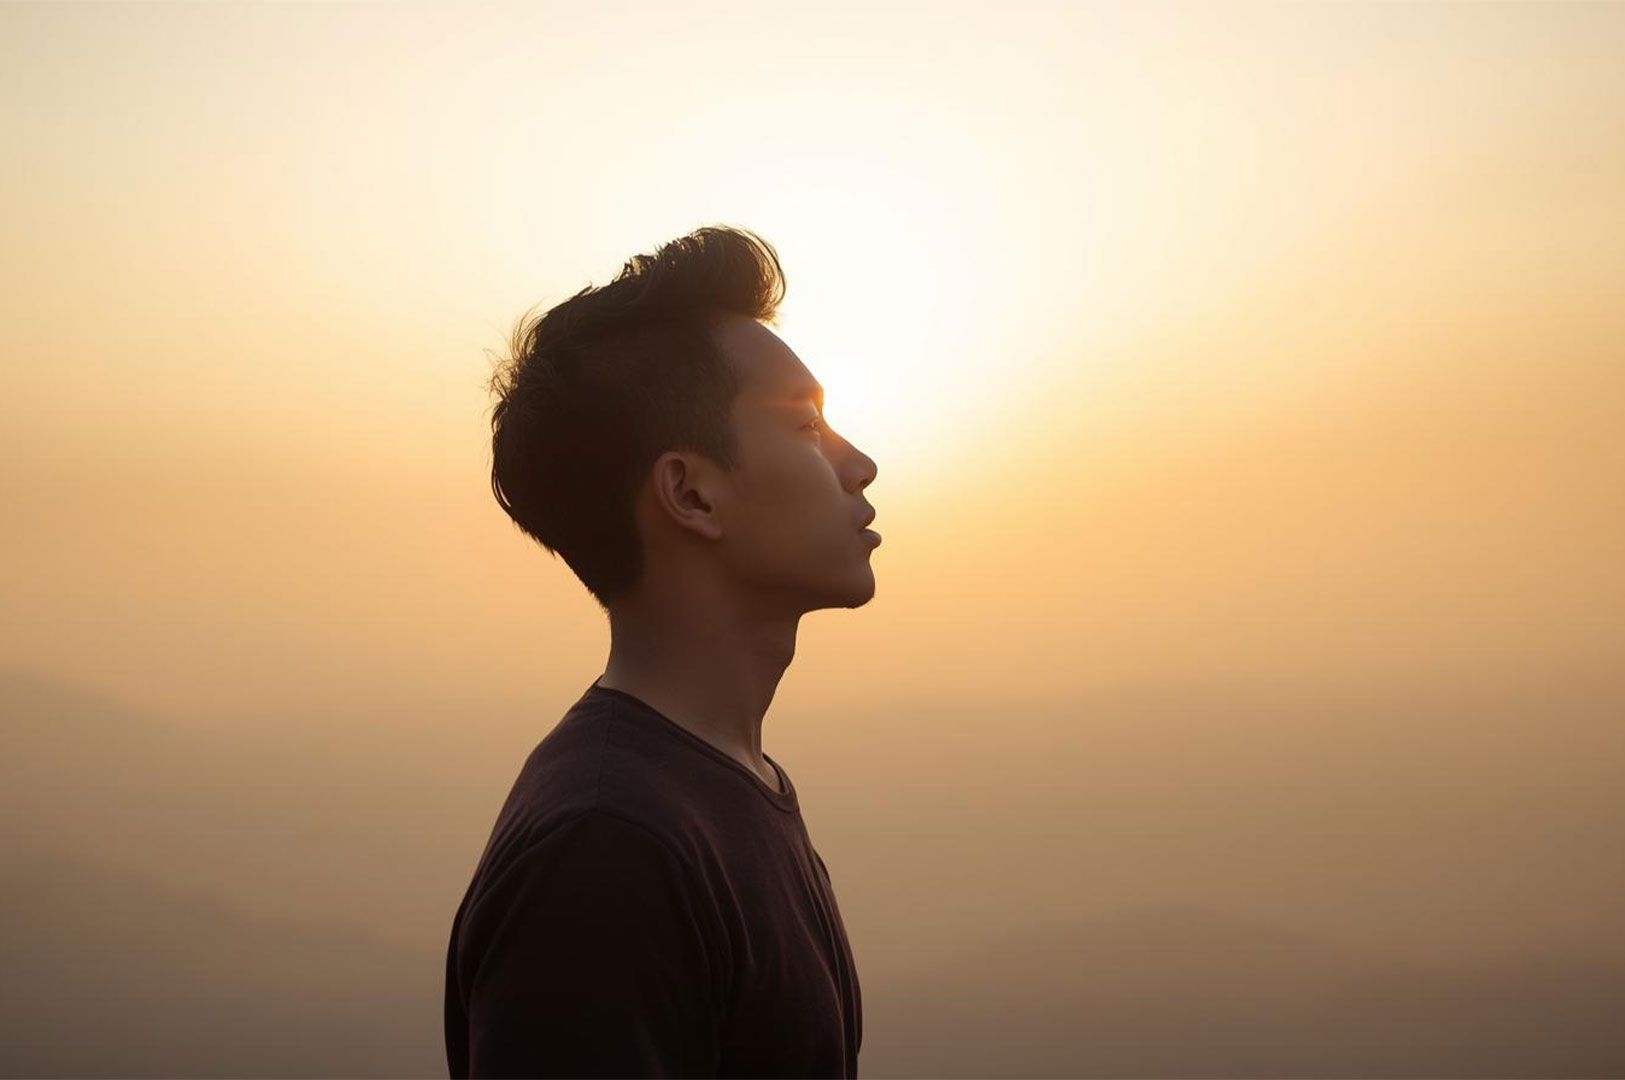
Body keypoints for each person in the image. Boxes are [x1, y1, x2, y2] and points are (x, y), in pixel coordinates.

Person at [444, 225, 878, 1078]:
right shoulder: (605, 850)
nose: (858, 464)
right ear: (688, 493)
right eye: (806, 427)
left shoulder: (722, 785)